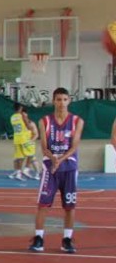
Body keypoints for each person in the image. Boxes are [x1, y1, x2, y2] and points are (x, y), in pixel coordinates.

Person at [29, 88, 83, 254]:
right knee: (43, 204)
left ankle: (67, 239)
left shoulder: (77, 121)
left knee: (69, 206)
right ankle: (38, 238)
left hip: (69, 167)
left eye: (65, 99)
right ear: (53, 101)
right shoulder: (45, 121)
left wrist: (61, 159)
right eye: (58, 99)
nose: (61, 103)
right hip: (50, 167)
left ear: (69, 101)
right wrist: (54, 159)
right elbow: (44, 147)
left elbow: (74, 146)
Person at [10, 102, 40, 181]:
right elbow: (29, 126)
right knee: (31, 155)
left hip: (17, 138)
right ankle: (27, 170)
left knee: (19, 157)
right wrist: (27, 120)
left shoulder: (12, 117)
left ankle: (19, 173)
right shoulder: (22, 116)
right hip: (25, 139)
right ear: (20, 108)